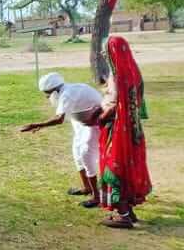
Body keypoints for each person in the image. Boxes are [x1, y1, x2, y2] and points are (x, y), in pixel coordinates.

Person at [94, 36, 152, 228]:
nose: (104, 54)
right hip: (132, 131)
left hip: (117, 129)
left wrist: (98, 119)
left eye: (106, 51)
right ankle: (128, 210)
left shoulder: (117, 76)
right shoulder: (134, 72)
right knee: (127, 166)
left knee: (113, 166)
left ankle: (123, 215)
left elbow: (115, 105)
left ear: (113, 52)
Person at [21, 73, 103, 208]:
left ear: (55, 90)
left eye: (47, 93)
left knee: (86, 155)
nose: (47, 97)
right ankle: (87, 187)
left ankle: (97, 196)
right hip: (80, 121)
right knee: (77, 154)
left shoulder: (67, 94)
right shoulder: (66, 90)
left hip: (93, 124)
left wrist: (36, 125)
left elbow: (59, 119)